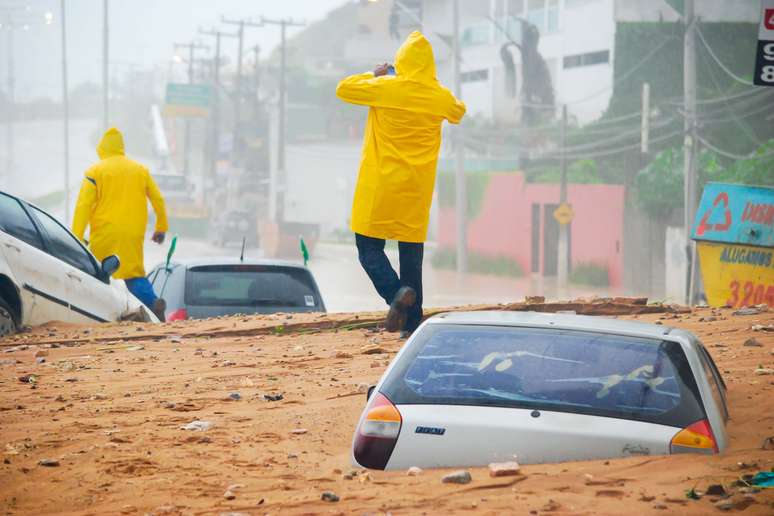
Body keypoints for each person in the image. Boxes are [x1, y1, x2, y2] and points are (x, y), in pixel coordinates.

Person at [336, 31, 466, 335]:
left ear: (401, 63)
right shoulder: (439, 96)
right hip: (416, 191)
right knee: (412, 258)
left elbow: (344, 89)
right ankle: (412, 325)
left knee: (368, 248)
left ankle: (395, 294)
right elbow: (458, 111)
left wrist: (375, 74)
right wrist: (432, 87)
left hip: (380, 185)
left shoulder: (385, 87)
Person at [72, 127, 169, 321]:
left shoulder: (95, 171)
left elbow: (83, 205)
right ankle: (152, 303)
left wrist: (76, 237)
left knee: (100, 273)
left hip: (104, 232)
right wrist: (160, 227)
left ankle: (102, 314)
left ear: (103, 148)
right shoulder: (140, 170)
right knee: (133, 272)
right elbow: (158, 199)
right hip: (133, 233)